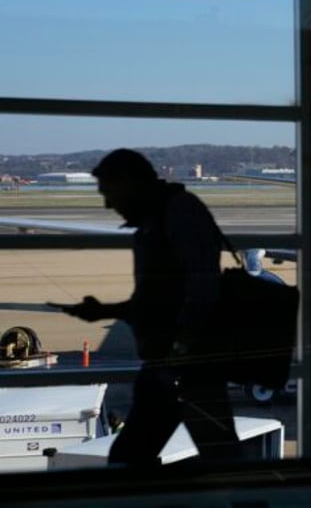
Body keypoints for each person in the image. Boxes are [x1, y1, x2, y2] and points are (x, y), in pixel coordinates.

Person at [48, 149, 243, 466]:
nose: (109, 204)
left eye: (110, 193)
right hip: (169, 366)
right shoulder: (159, 218)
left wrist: (179, 353)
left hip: (186, 368)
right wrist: (105, 311)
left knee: (139, 458)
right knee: (212, 458)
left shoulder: (178, 214)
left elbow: (203, 292)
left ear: (129, 183)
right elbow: (159, 302)